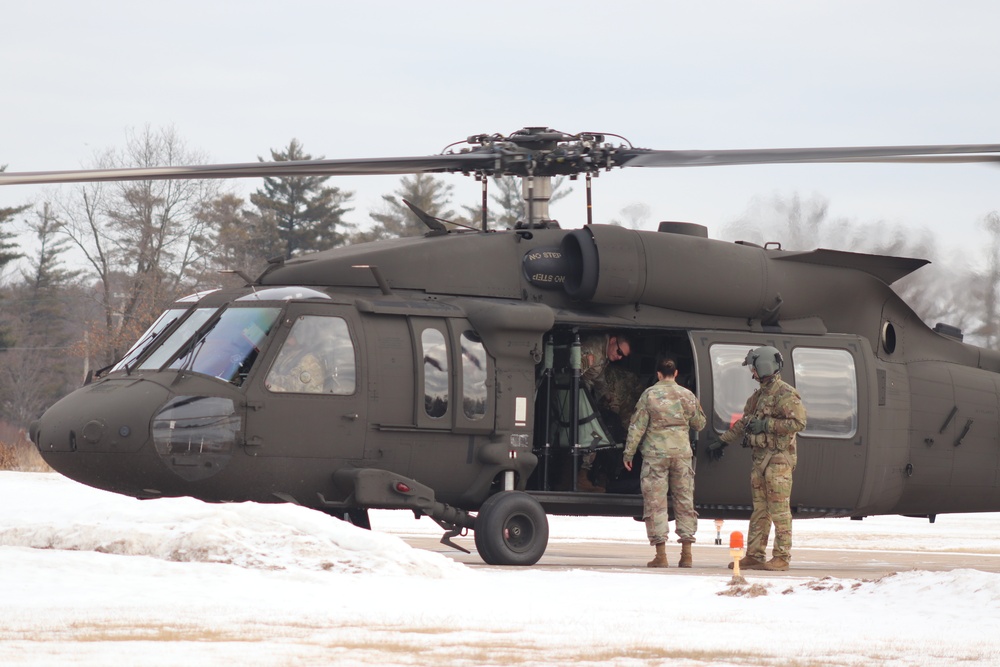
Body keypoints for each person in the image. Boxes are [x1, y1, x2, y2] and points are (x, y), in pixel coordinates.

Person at [712, 346, 807, 571]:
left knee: (779, 510)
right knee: (760, 510)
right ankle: (755, 555)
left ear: (763, 368)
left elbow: (798, 423)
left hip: (778, 461)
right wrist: (723, 440)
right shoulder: (758, 397)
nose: (751, 373)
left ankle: (782, 557)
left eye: (753, 368)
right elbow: (744, 423)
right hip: (761, 461)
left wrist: (767, 425)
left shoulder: (785, 394)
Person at [623, 357, 706, 568]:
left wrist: (629, 454)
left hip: (655, 456)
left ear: (658, 374)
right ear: (676, 373)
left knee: (656, 503)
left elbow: (637, 427)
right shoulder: (687, 395)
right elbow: (700, 424)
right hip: (681, 455)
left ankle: (661, 555)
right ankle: (686, 554)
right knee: (684, 501)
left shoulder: (649, 395)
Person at [577, 332, 632, 492]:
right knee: (595, 432)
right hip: (576, 396)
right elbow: (572, 369)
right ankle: (582, 475)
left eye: (623, 356)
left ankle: (596, 475)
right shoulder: (594, 348)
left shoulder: (603, 355)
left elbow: (598, 378)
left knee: (611, 421)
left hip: (583, 396)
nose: (619, 357)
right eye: (619, 352)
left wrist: (606, 395)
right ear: (613, 341)